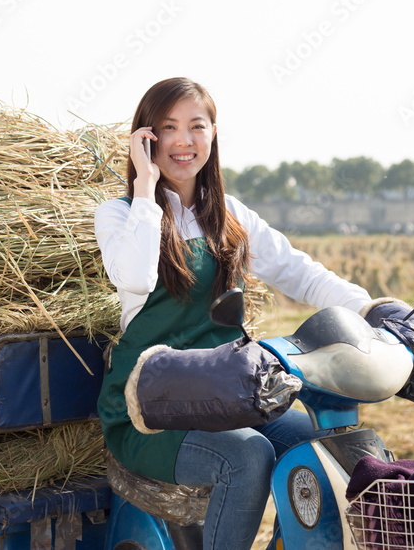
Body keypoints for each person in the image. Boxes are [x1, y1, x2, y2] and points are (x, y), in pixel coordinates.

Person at [94, 77, 373, 550]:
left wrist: (371, 306)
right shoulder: (121, 214)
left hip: (225, 392)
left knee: (321, 443)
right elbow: (136, 279)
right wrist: (145, 187)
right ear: (146, 137)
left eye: (196, 127)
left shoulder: (228, 214)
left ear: (213, 134)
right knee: (245, 457)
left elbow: (298, 272)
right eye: (167, 127)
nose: (183, 141)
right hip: (151, 408)